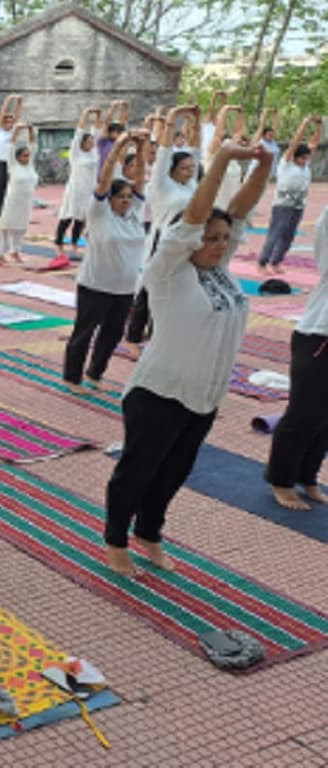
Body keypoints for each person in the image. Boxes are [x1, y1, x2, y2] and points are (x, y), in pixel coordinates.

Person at [103, 142, 271, 577]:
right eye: (209, 239)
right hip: (159, 392)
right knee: (136, 474)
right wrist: (221, 161)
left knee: (173, 473)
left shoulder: (218, 270)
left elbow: (238, 208)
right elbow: (195, 218)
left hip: (204, 395)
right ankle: (115, 540)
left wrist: (265, 164)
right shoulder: (168, 272)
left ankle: (150, 533)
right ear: (188, 239)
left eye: (222, 239)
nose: (218, 245)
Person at [63, 131, 149, 393]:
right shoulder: (99, 213)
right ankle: (71, 377)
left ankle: (95, 372)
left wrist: (142, 146)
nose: (125, 200)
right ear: (109, 198)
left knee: (111, 335)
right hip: (95, 285)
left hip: (124, 289)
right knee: (84, 333)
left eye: (128, 197)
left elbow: (141, 177)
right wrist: (121, 144)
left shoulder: (134, 213)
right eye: (120, 196)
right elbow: (105, 176)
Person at [124, 105, 202, 356]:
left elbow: (196, 152)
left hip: (186, 244)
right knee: (150, 289)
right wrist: (172, 118)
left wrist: (196, 121)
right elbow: (165, 152)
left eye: (192, 168)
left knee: (175, 290)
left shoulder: (190, 185)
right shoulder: (161, 185)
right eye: (185, 168)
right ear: (171, 170)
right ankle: (133, 338)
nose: (190, 172)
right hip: (162, 241)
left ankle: (159, 336)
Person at [266, 206, 328, 509]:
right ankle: (281, 479)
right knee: (304, 413)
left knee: (325, 417)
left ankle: (308, 476)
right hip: (319, 335)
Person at [259, 115, 321, 274]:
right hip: (282, 205)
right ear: (295, 156)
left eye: (307, 158)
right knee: (276, 233)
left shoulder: (305, 166)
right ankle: (262, 262)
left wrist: (319, 127)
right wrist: (305, 122)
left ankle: (276, 261)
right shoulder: (286, 163)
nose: (305, 160)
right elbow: (294, 143)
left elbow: (314, 143)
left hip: (298, 206)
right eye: (302, 158)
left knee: (288, 236)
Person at [55, 108, 102, 258]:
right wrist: (86, 114)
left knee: (81, 219)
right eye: (88, 142)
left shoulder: (94, 154)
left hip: (89, 190)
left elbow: (96, 132)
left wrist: (97, 117)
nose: (91, 144)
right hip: (75, 190)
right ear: (82, 143)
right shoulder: (76, 154)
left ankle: (75, 245)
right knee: (67, 217)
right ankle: (59, 244)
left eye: (92, 142)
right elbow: (79, 132)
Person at [0, 125, 37, 264]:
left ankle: (16, 251)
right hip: (13, 200)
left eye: (28, 155)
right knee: (7, 226)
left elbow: (33, 145)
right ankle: (1, 253)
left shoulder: (30, 166)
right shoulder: (13, 165)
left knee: (21, 227)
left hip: (26, 201)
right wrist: (17, 131)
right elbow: (11, 147)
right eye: (24, 156)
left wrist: (31, 130)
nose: (27, 158)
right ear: (18, 157)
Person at [0, 95, 22, 216]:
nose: (9, 123)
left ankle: (0, 210)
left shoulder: (12, 132)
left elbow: (17, 116)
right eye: (7, 121)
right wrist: (8, 100)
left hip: (9, 162)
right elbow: (2, 113)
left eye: (11, 121)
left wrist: (19, 102)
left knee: (7, 187)